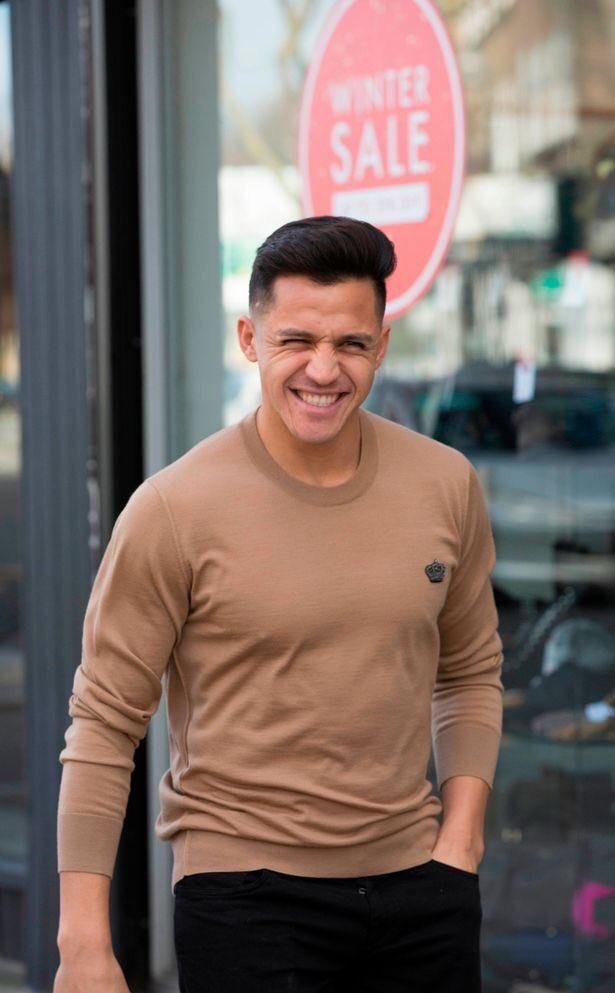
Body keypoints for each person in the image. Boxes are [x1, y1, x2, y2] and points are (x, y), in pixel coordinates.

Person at [54, 215, 504, 993]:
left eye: (350, 343)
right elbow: (103, 723)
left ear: (381, 345)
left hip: (420, 890)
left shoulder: (443, 483)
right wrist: (83, 944)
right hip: (245, 900)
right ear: (249, 338)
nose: (323, 370)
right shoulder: (174, 508)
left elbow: (468, 672)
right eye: (296, 340)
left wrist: (459, 843)